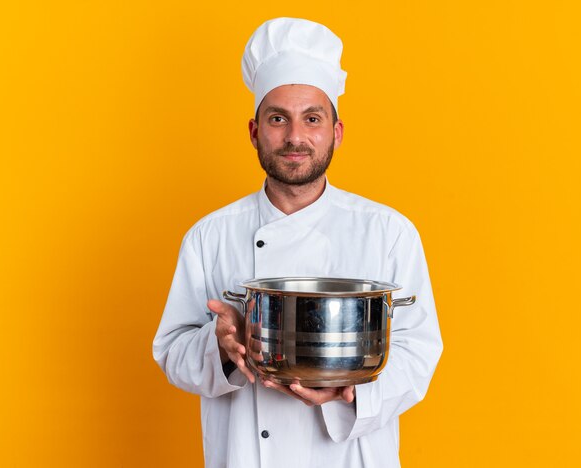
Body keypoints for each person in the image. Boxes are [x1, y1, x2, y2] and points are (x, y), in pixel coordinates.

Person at [153, 17, 443, 468]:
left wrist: (349, 392)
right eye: (277, 119)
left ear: (336, 132)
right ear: (254, 132)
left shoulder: (388, 232)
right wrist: (223, 347)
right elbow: (172, 352)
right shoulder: (209, 236)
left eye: (312, 118)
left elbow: (418, 352)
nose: (295, 137)